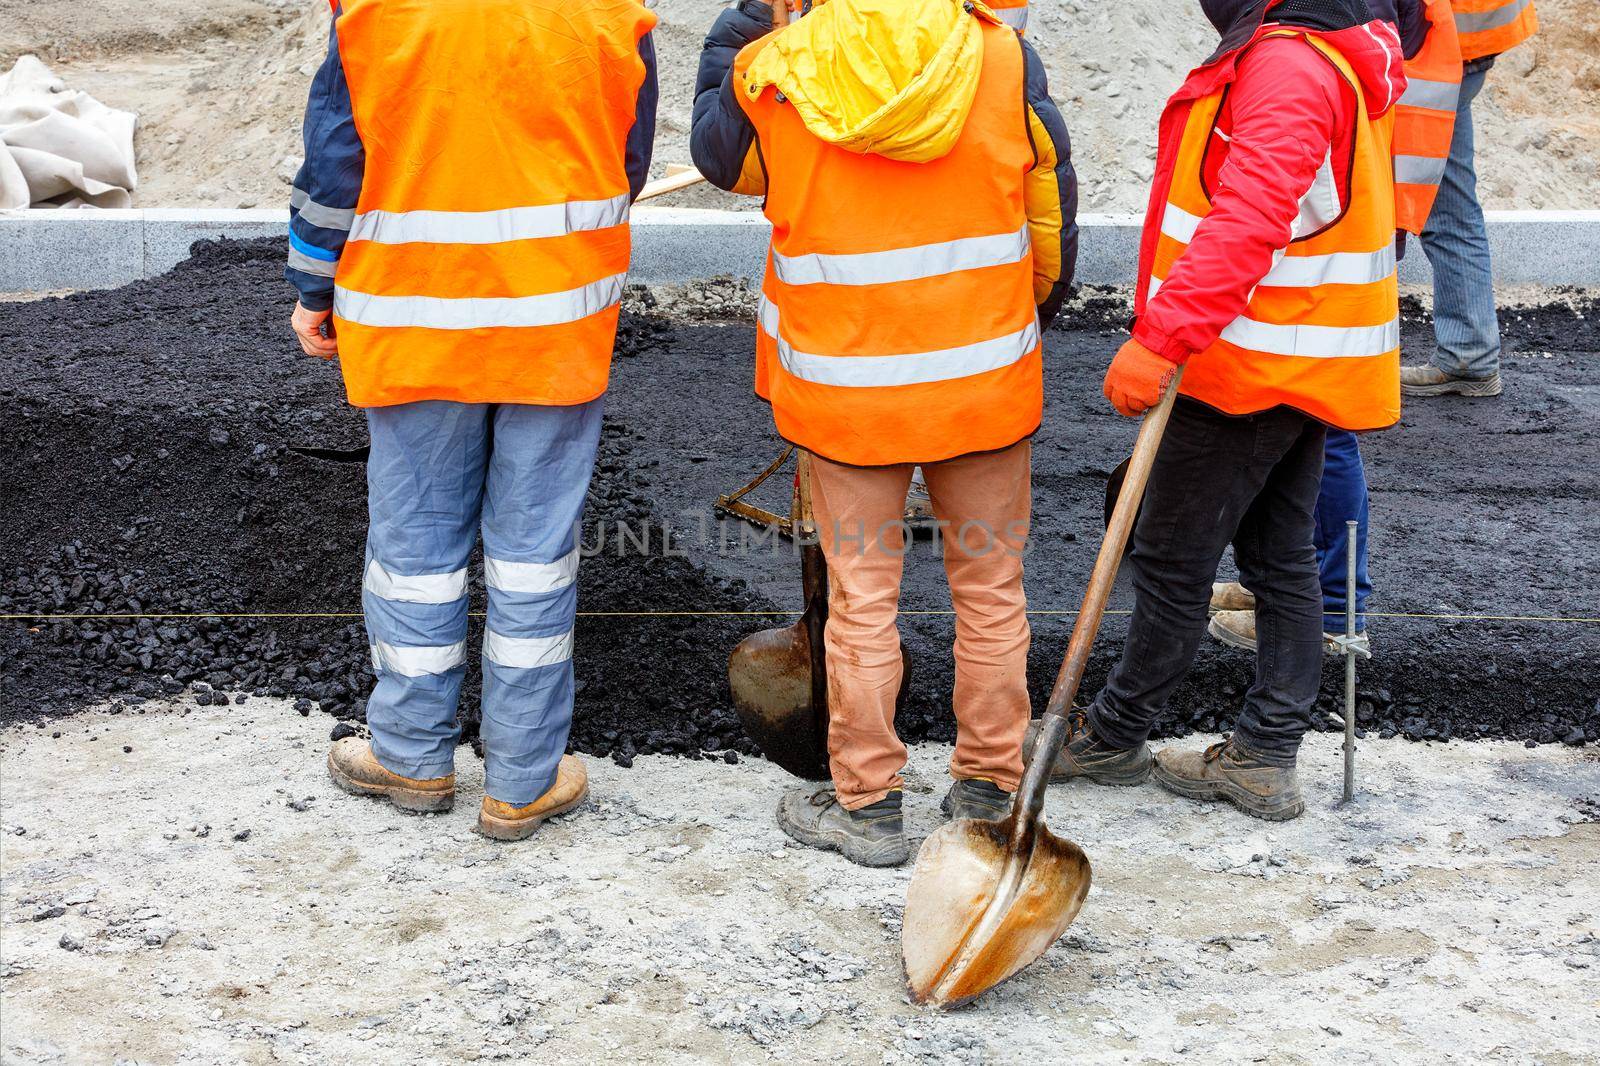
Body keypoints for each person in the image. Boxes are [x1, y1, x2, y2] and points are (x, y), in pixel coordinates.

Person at [691, 0, 1076, 866]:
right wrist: (1029, 308)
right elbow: (1049, 205)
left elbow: (723, 164)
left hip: (846, 390)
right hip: (981, 379)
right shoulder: (1003, 55)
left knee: (861, 602)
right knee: (991, 589)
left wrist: (743, 33)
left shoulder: (775, 67)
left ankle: (867, 807)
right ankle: (988, 782)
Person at [285, 0, 658, 840]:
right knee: (533, 555)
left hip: (415, 315)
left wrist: (314, 287)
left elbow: (337, 163)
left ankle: (413, 758)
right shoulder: (613, 13)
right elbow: (625, 161)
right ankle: (522, 782)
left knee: (415, 546)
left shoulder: (378, 10)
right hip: (557, 316)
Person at [1028, 0, 1404, 822]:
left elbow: (1246, 219)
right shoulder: (1327, 50)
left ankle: (1113, 734)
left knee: (1170, 557)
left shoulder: (1287, 66)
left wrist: (1163, 338)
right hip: (1293, 353)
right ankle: (1264, 756)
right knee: (1279, 557)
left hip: (1243, 360)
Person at [1210, 0, 1454, 657]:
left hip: (1342, 233)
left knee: (1321, 425)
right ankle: (1294, 592)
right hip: (1357, 217)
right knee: (1300, 423)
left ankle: (1336, 613)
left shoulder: (1334, 34)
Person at [1400, 0, 1537, 398]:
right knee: (1446, 200)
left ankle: (1468, 355)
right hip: (1464, 37)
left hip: (1434, 42)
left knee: (1436, 202)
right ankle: (1469, 354)